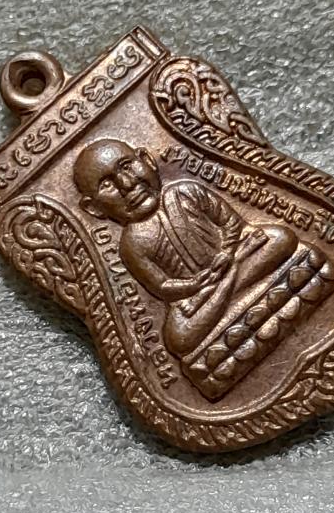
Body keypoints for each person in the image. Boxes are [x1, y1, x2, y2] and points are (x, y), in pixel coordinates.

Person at [74, 139, 298, 357]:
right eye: (107, 185)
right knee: (178, 336)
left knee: (279, 238)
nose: (127, 184)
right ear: (93, 208)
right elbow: (162, 286)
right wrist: (194, 285)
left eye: (126, 166)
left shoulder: (185, 191)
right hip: (200, 293)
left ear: (147, 160)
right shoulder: (131, 244)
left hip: (230, 264)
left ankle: (227, 284)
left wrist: (228, 252)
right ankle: (230, 280)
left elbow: (232, 224)